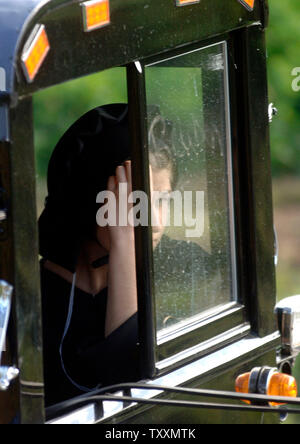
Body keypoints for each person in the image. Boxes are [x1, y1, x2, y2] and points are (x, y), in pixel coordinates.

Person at [38, 103, 177, 406]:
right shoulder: (33, 299)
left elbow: (139, 395)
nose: (154, 221)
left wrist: (126, 248)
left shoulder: (178, 268)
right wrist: (125, 241)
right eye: (132, 201)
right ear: (88, 200)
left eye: (163, 200)